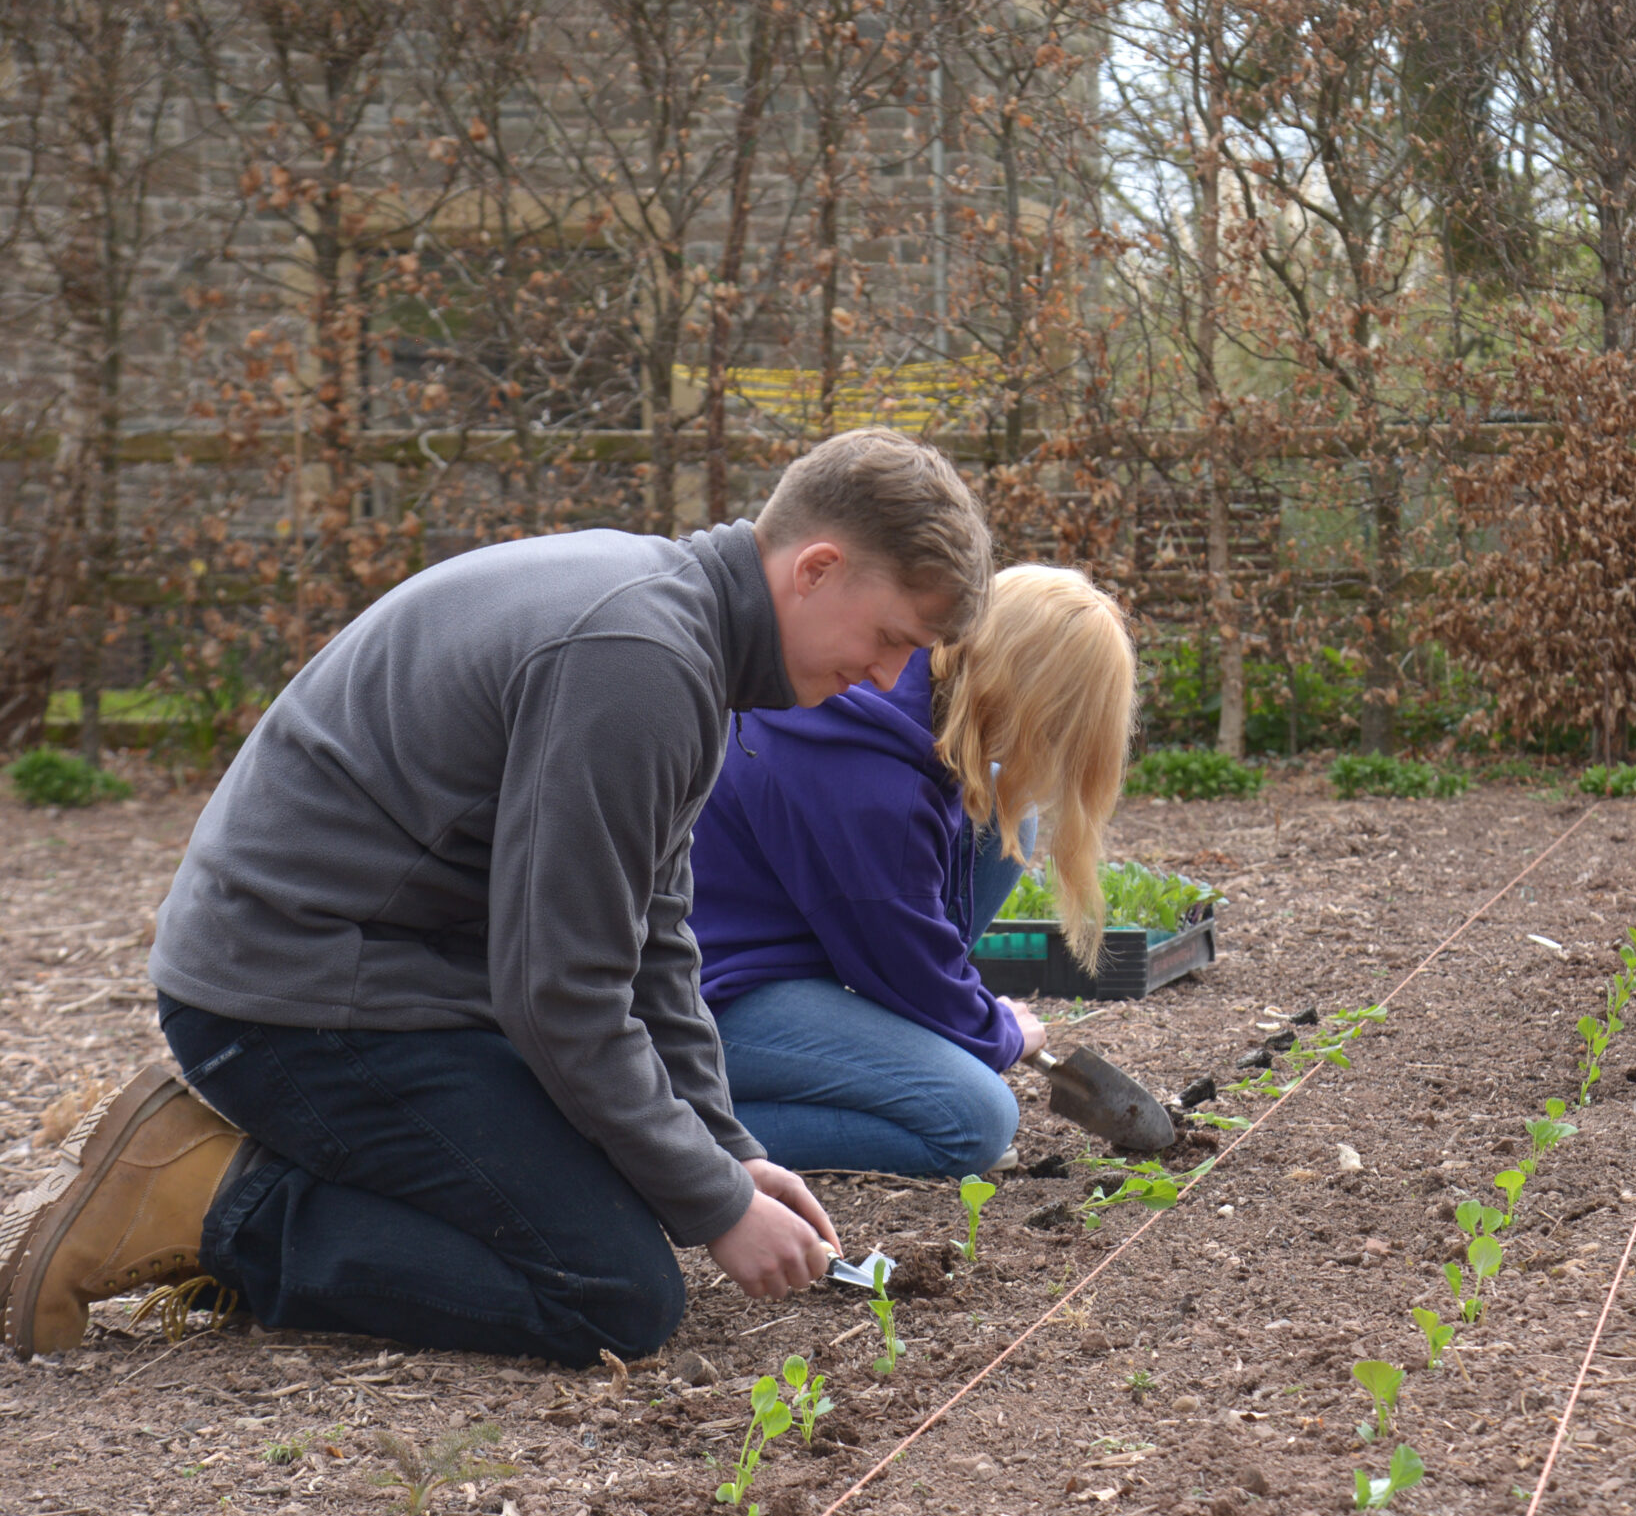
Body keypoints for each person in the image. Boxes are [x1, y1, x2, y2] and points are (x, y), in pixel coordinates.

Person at [0, 430, 992, 1364]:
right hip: (288, 1001)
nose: (886, 676)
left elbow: (652, 937)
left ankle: (274, 1177)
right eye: (891, 636)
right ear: (816, 568)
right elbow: (558, 992)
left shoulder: (677, 630)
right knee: (609, 1291)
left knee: (639, 1176)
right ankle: (210, 1202)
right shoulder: (638, 664)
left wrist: (722, 1152)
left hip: (364, 972)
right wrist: (717, 1207)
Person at [688, 565, 1135, 1178]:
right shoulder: (873, 791)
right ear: (1036, 703)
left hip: (782, 937)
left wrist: (959, 1017)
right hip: (707, 998)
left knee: (1007, 814)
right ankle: (667, 1133)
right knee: (974, 1121)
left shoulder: (910, 686)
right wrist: (994, 1032)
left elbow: (902, 936)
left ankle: (911, 1046)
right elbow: (901, 957)